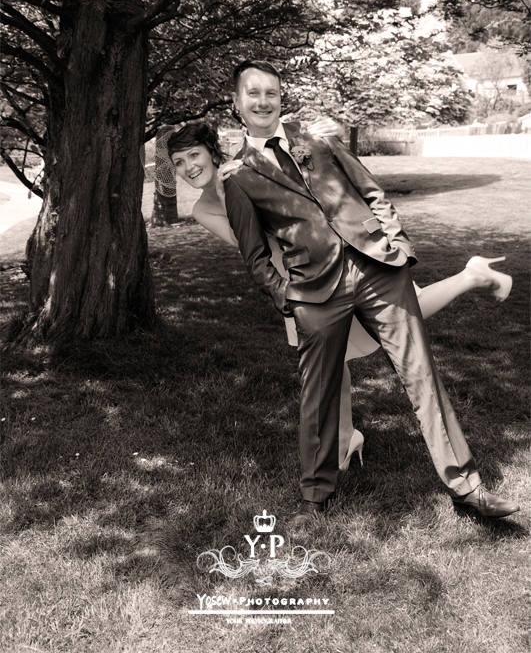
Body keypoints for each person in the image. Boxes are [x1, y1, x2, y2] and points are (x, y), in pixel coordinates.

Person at [154, 111, 517, 523]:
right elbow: (255, 245)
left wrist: (313, 140)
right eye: (179, 163)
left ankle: (471, 275)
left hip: (342, 262)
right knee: (329, 370)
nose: (189, 167)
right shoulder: (206, 207)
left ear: (211, 151)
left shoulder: (252, 164)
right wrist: (234, 194)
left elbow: (311, 187)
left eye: (194, 155)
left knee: (409, 324)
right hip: (300, 282)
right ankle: (345, 440)